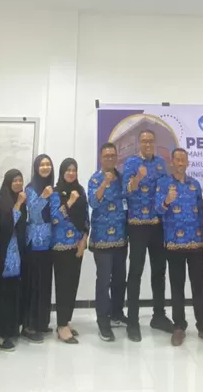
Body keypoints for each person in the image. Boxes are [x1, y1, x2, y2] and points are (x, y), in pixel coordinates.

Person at [155, 149, 203, 348]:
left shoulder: (194, 184)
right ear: (172, 162)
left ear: (188, 163)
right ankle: (179, 326)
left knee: (198, 287)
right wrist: (167, 200)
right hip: (174, 244)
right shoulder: (164, 183)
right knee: (177, 287)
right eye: (177, 160)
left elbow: (201, 215)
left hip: (195, 243)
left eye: (184, 160)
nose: (181, 163)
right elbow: (158, 210)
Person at [122, 130, 172, 342]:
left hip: (157, 224)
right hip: (137, 225)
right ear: (139, 143)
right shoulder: (131, 163)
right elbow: (126, 191)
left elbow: (165, 189)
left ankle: (158, 316)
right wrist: (138, 177)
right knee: (135, 272)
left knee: (159, 271)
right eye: (144, 141)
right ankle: (132, 321)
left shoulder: (161, 163)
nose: (148, 144)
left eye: (151, 140)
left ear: (154, 142)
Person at [88, 143, 128, 342]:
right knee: (103, 281)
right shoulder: (95, 179)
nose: (110, 158)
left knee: (120, 279)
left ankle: (117, 313)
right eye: (106, 156)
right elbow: (93, 203)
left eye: (113, 155)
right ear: (101, 158)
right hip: (102, 239)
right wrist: (104, 183)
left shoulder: (122, 178)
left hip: (121, 237)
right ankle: (103, 321)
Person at [50, 158, 89, 344]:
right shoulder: (56, 192)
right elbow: (55, 218)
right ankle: (61, 325)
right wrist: (70, 202)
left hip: (77, 245)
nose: (71, 173)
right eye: (68, 170)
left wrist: (84, 240)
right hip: (61, 245)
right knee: (63, 284)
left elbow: (86, 216)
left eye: (74, 169)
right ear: (62, 172)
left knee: (73, 283)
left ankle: (66, 320)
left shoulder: (80, 190)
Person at [0, 169, 27, 351]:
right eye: (14, 180)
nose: (18, 183)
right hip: (6, 255)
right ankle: (0, 333)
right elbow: (6, 226)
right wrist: (19, 204)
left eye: (20, 180)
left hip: (18, 255)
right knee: (4, 294)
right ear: (7, 183)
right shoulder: (2, 204)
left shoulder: (21, 201)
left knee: (14, 292)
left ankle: (11, 329)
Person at [23, 154, 54, 342]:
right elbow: (33, 213)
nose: (45, 167)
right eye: (41, 164)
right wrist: (43, 197)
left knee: (44, 283)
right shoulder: (31, 188)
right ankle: (29, 325)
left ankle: (42, 322)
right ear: (36, 168)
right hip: (35, 241)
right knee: (33, 284)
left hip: (49, 242)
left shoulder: (52, 187)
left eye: (48, 164)